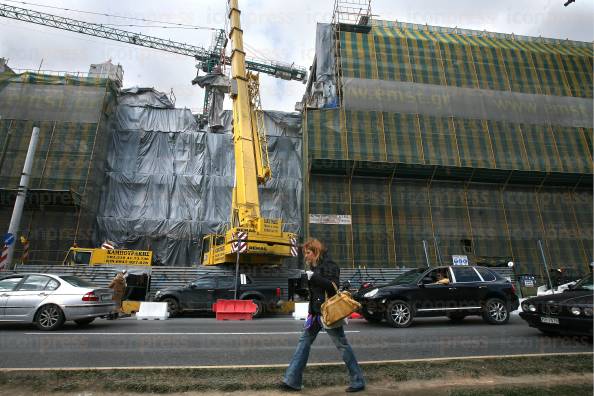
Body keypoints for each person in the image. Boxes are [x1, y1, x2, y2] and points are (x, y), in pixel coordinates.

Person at [281, 238, 365, 393]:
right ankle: (292, 380)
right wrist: (310, 314)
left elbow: (333, 287)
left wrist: (314, 277)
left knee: (342, 346)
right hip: (315, 314)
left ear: (316, 252)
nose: (305, 256)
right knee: (303, 343)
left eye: (308, 253)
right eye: (304, 253)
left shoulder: (330, 266)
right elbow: (314, 295)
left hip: (328, 314)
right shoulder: (314, 267)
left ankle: (358, 381)